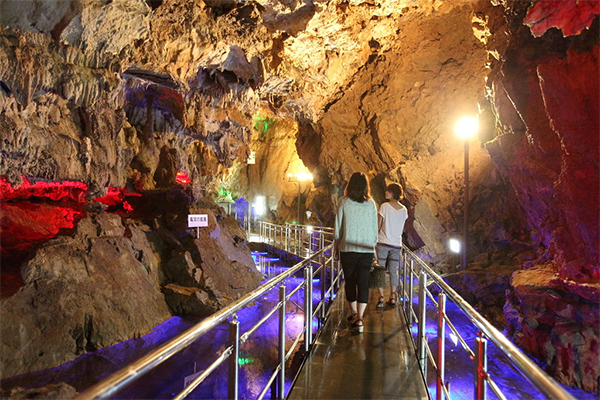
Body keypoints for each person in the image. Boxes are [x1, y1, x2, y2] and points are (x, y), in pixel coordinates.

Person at [334, 172, 378, 332]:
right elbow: (374, 229)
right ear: (366, 186)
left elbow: (338, 227)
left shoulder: (343, 202)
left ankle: (354, 313)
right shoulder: (371, 203)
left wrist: (336, 246)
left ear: (350, 185)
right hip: (366, 249)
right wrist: (373, 246)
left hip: (348, 249)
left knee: (350, 282)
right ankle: (360, 318)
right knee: (364, 282)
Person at [375, 183, 408, 308]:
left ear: (392, 193)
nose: (386, 193)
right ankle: (393, 296)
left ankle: (381, 297)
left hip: (383, 242)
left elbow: (378, 224)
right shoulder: (404, 210)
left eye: (388, 191)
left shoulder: (384, 206)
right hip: (396, 244)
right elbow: (402, 227)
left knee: (380, 270)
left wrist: (374, 238)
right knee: (393, 270)